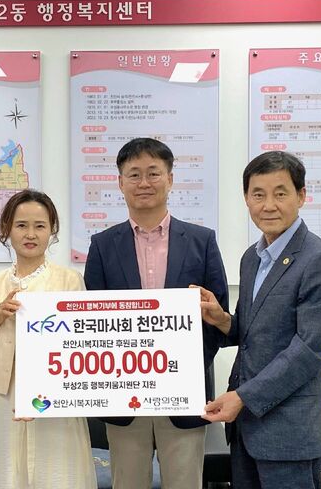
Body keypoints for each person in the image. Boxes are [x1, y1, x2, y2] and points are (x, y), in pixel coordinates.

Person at [84, 138, 229, 489]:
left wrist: (185, 366)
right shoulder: (102, 245)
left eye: (153, 173)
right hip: (124, 395)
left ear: (170, 179)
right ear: (120, 183)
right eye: (134, 174)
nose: (144, 182)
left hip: (184, 396)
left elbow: (218, 317)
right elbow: (93, 324)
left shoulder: (202, 240)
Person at [199, 151, 321, 489]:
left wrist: (242, 397)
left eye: (280, 193)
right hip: (247, 430)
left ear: (301, 196)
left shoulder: (319, 260)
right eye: (258, 194)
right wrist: (222, 319)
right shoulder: (252, 259)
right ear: (246, 198)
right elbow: (254, 333)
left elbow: (309, 350)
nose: (268, 205)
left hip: (290, 434)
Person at [0, 190, 97, 489]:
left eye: (40, 226)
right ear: (7, 229)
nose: (31, 234)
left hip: (53, 397)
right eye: (21, 225)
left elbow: (79, 344)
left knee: (54, 475)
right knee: (0, 476)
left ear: (52, 230)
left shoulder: (70, 280)